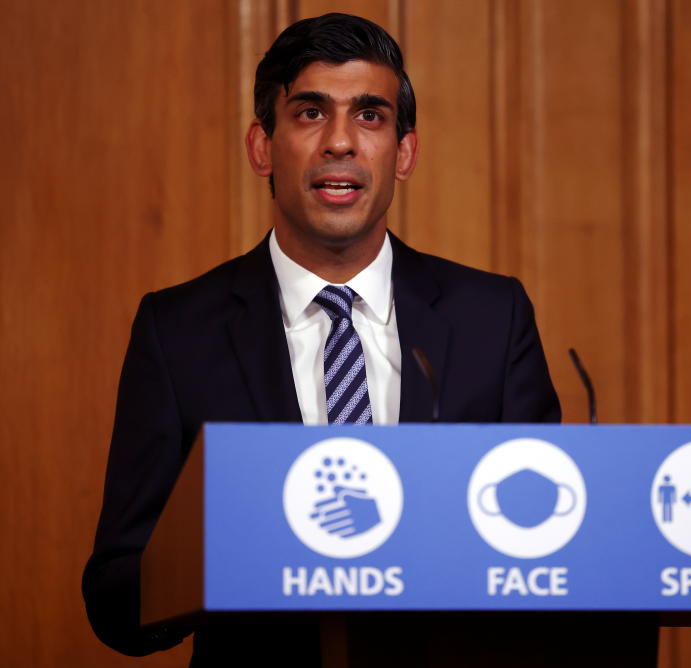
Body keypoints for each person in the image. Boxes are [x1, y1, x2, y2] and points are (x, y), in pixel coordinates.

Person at [82, 13, 562, 665]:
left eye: (370, 116)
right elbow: (116, 595)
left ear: (405, 151)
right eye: (310, 113)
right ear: (262, 147)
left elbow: (552, 539)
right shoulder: (177, 331)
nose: (340, 142)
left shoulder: (493, 316)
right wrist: (230, 553)